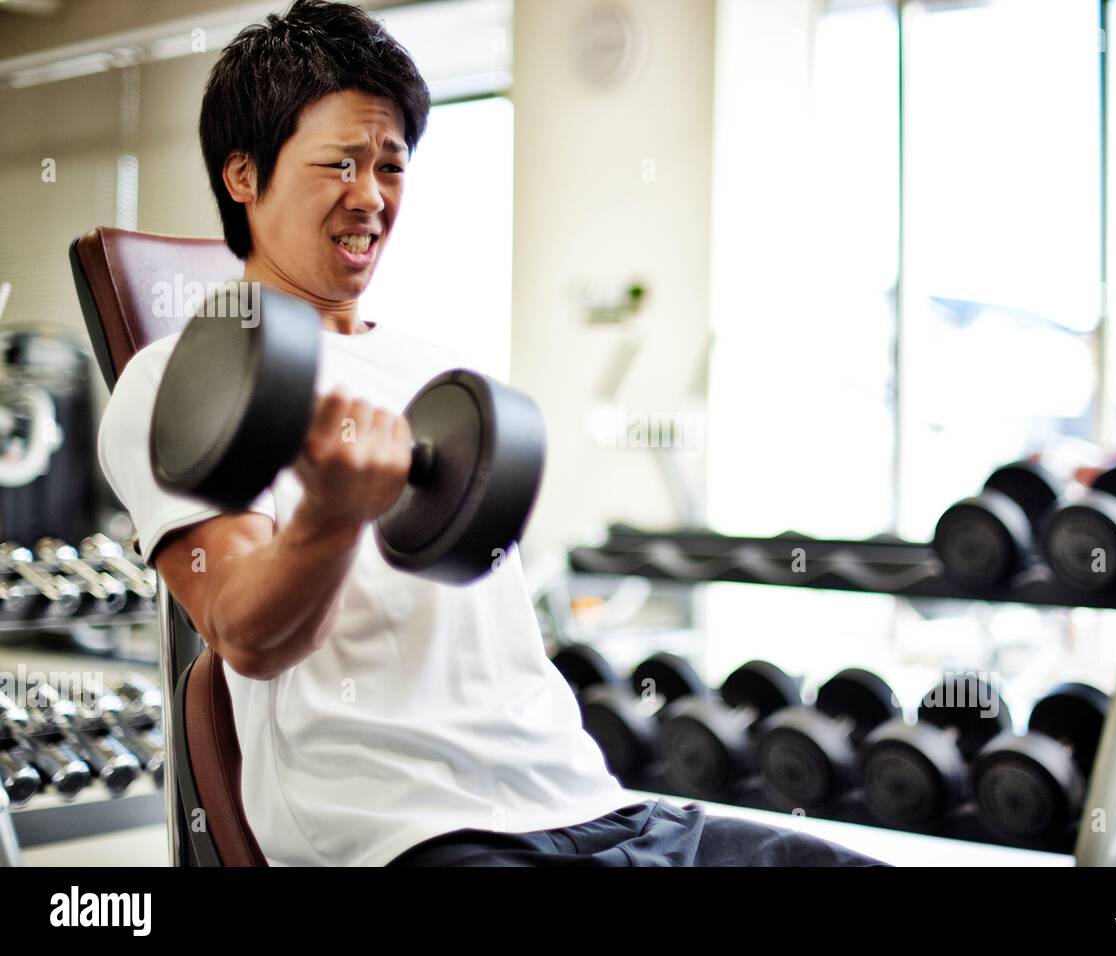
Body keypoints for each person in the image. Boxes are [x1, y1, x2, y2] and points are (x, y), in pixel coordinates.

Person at [98, 0, 885, 868]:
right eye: (339, 164)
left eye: (391, 166)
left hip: (592, 804)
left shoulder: (444, 375)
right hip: (407, 832)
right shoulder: (174, 383)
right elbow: (246, 635)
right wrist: (331, 517)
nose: (370, 198)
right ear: (243, 176)